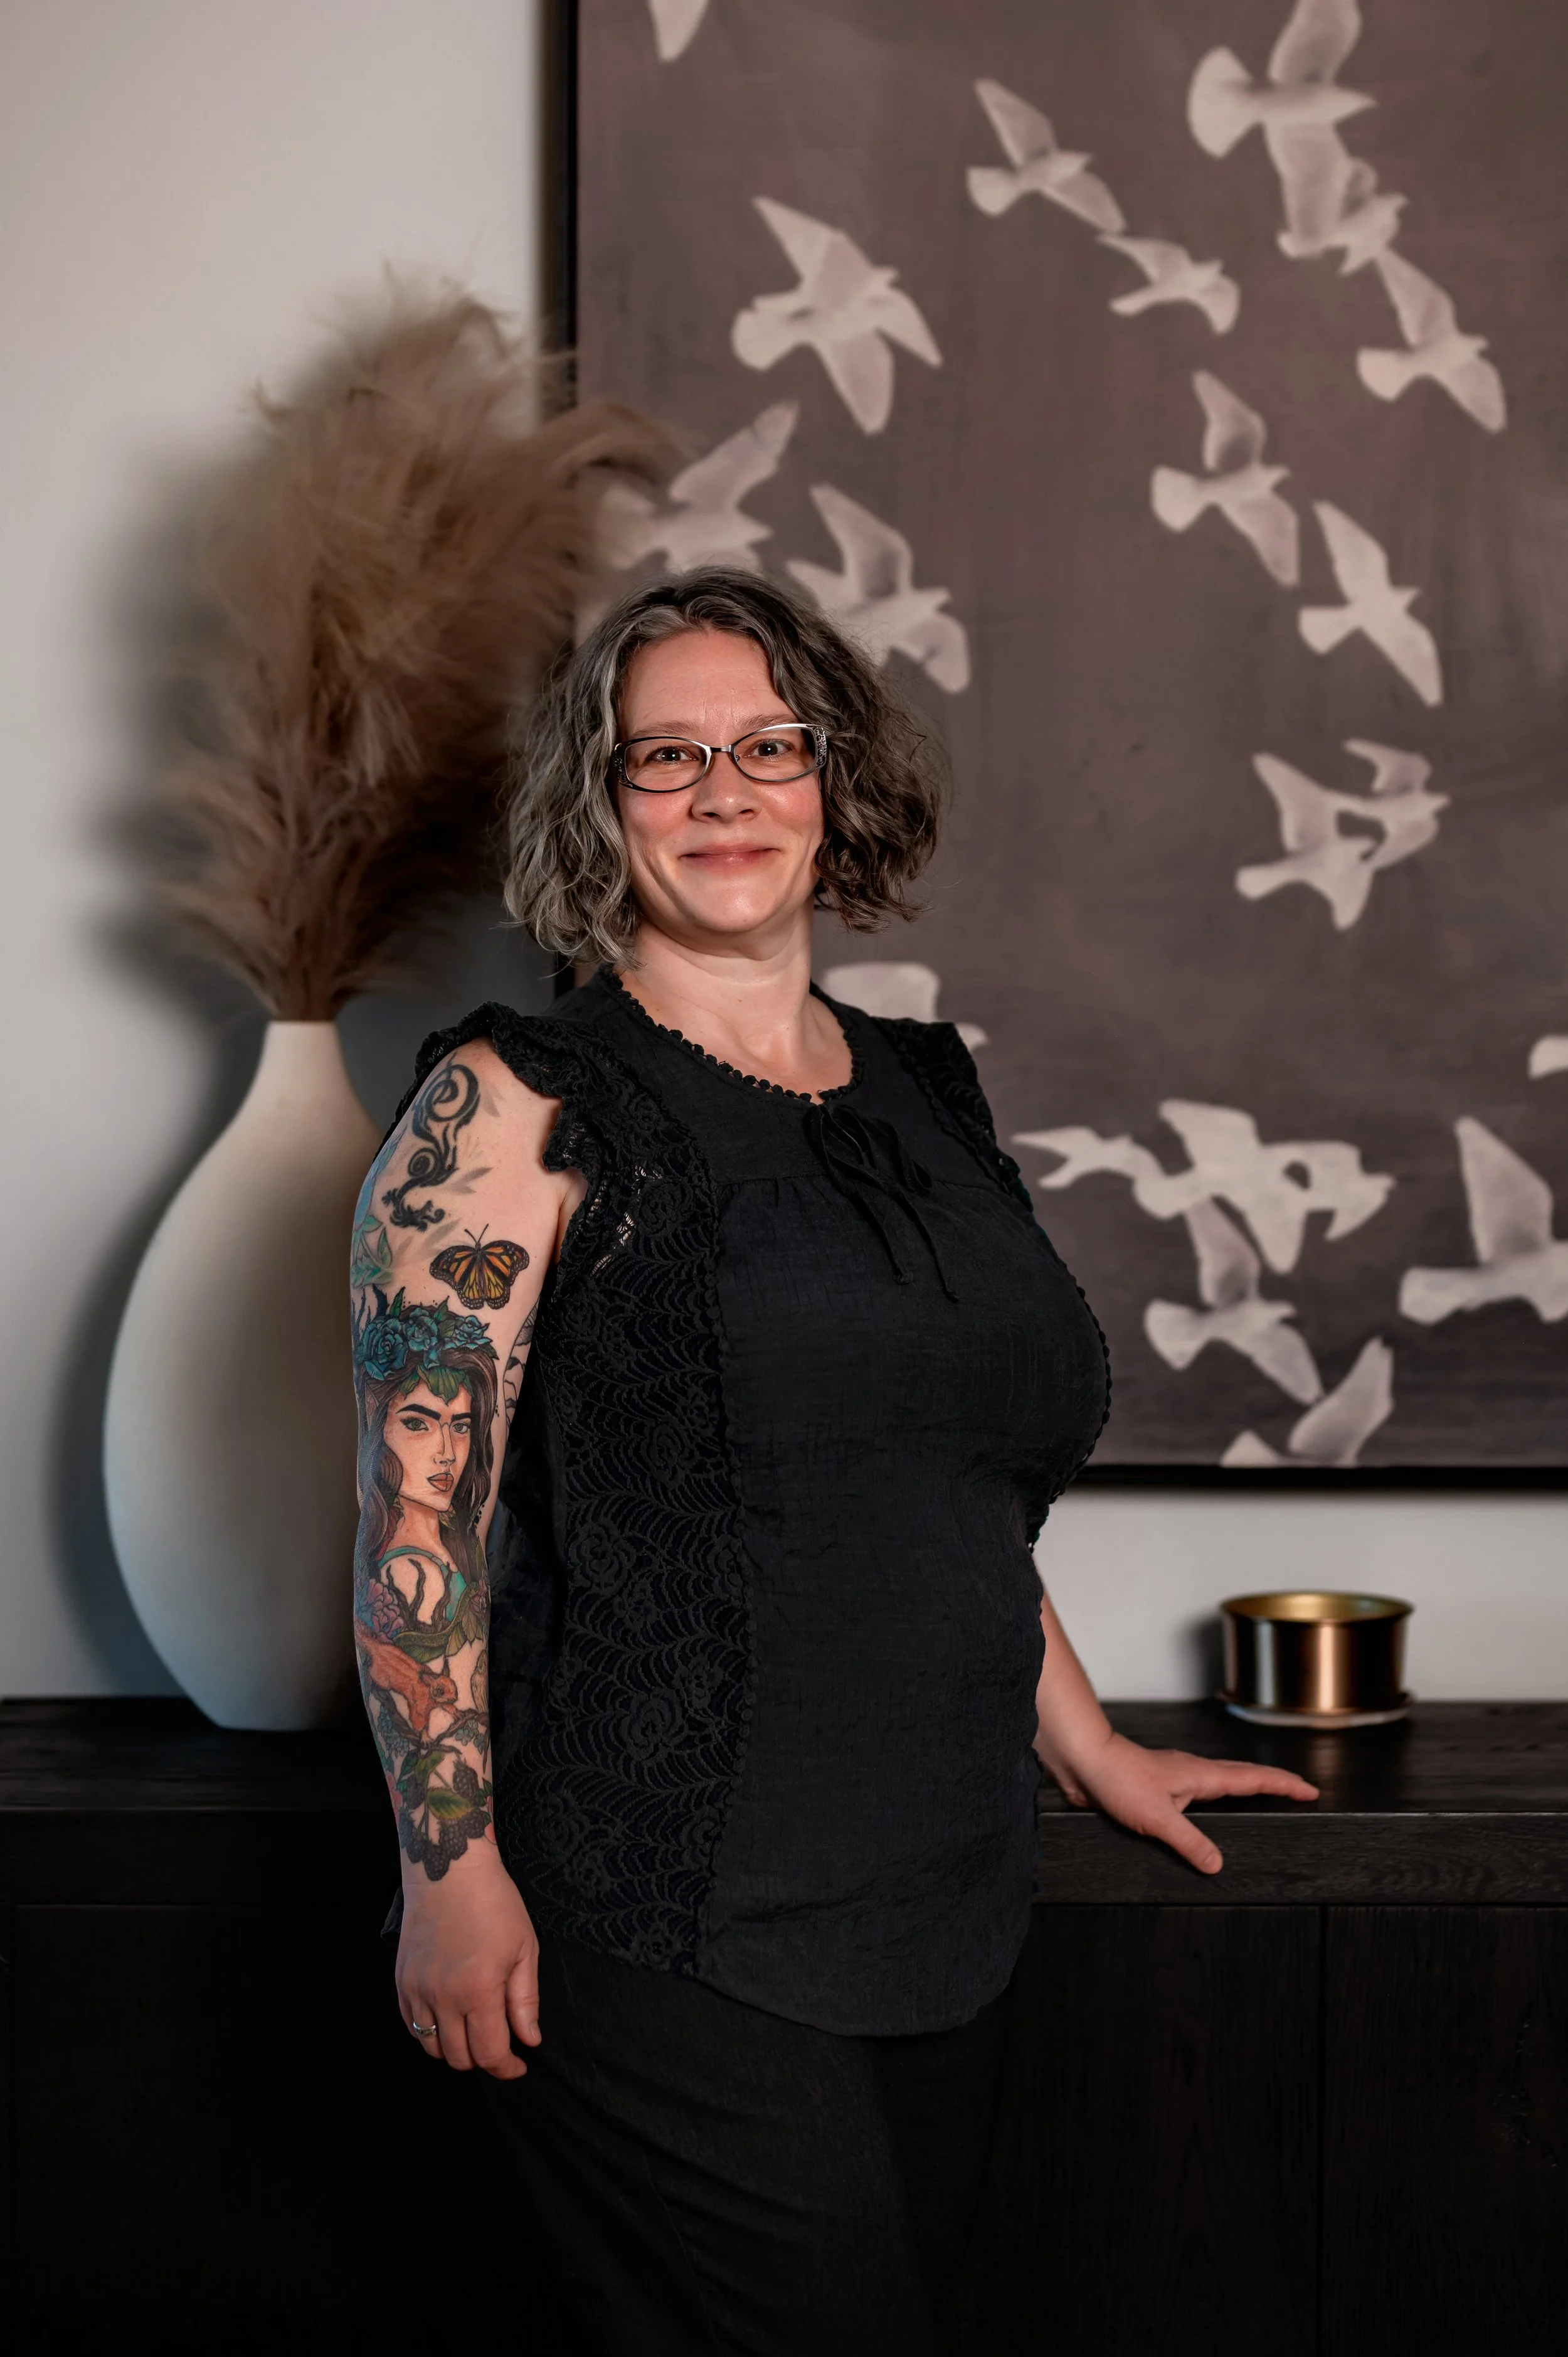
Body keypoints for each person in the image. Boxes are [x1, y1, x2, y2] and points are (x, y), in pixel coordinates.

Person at [349, 567, 1317, 2354]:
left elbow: (917, 1475)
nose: (723, 790)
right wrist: (446, 1869)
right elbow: (421, 1510)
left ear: (833, 778)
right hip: (658, 1905)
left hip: (943, 1887)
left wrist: (1087, 1741)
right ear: (597, 800)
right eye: (666, 757)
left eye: (767, 744)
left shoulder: (924, 1085)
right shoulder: (513, 1100)